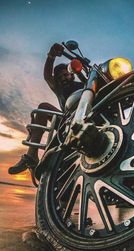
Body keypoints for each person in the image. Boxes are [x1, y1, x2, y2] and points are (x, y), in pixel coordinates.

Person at [8, 43, 84, 175]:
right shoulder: (59, 88)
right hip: (68, 123)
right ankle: (31, 156)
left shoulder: (83, 85)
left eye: (67, 74)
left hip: (89, 118)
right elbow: (48, 75)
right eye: (61, 76)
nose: (65, 78)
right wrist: (51, 56)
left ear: (72, 74)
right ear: (58, 79)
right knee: (43, 107)